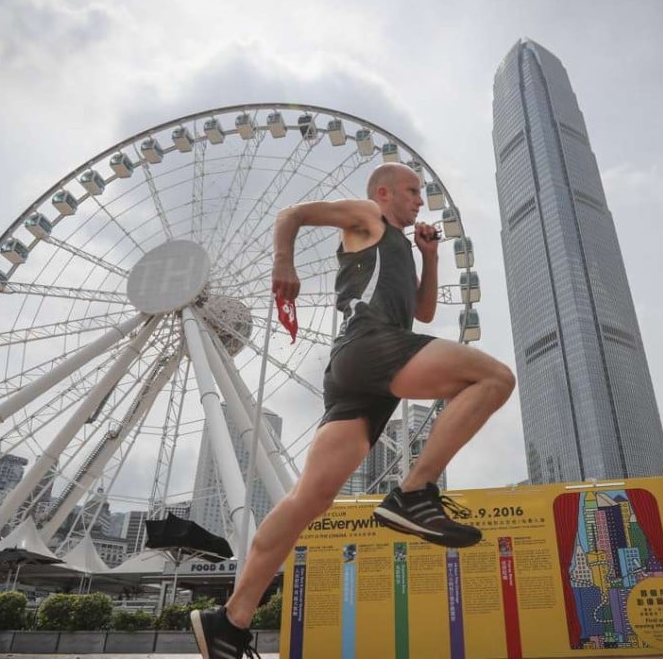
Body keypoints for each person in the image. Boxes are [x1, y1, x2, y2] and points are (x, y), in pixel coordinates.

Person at [191, 163, 515, 658]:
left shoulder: (401, 246)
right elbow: (292, 213)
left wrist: (429, 256)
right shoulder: (367, 216)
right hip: (371, 345)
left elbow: (424, 313)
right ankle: (413, 492)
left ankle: (229, 621)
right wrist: (285, 263)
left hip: (358, 376)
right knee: (494, 378)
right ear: (384, 193)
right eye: (411, 192)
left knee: (307, 500)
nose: (418, 202)